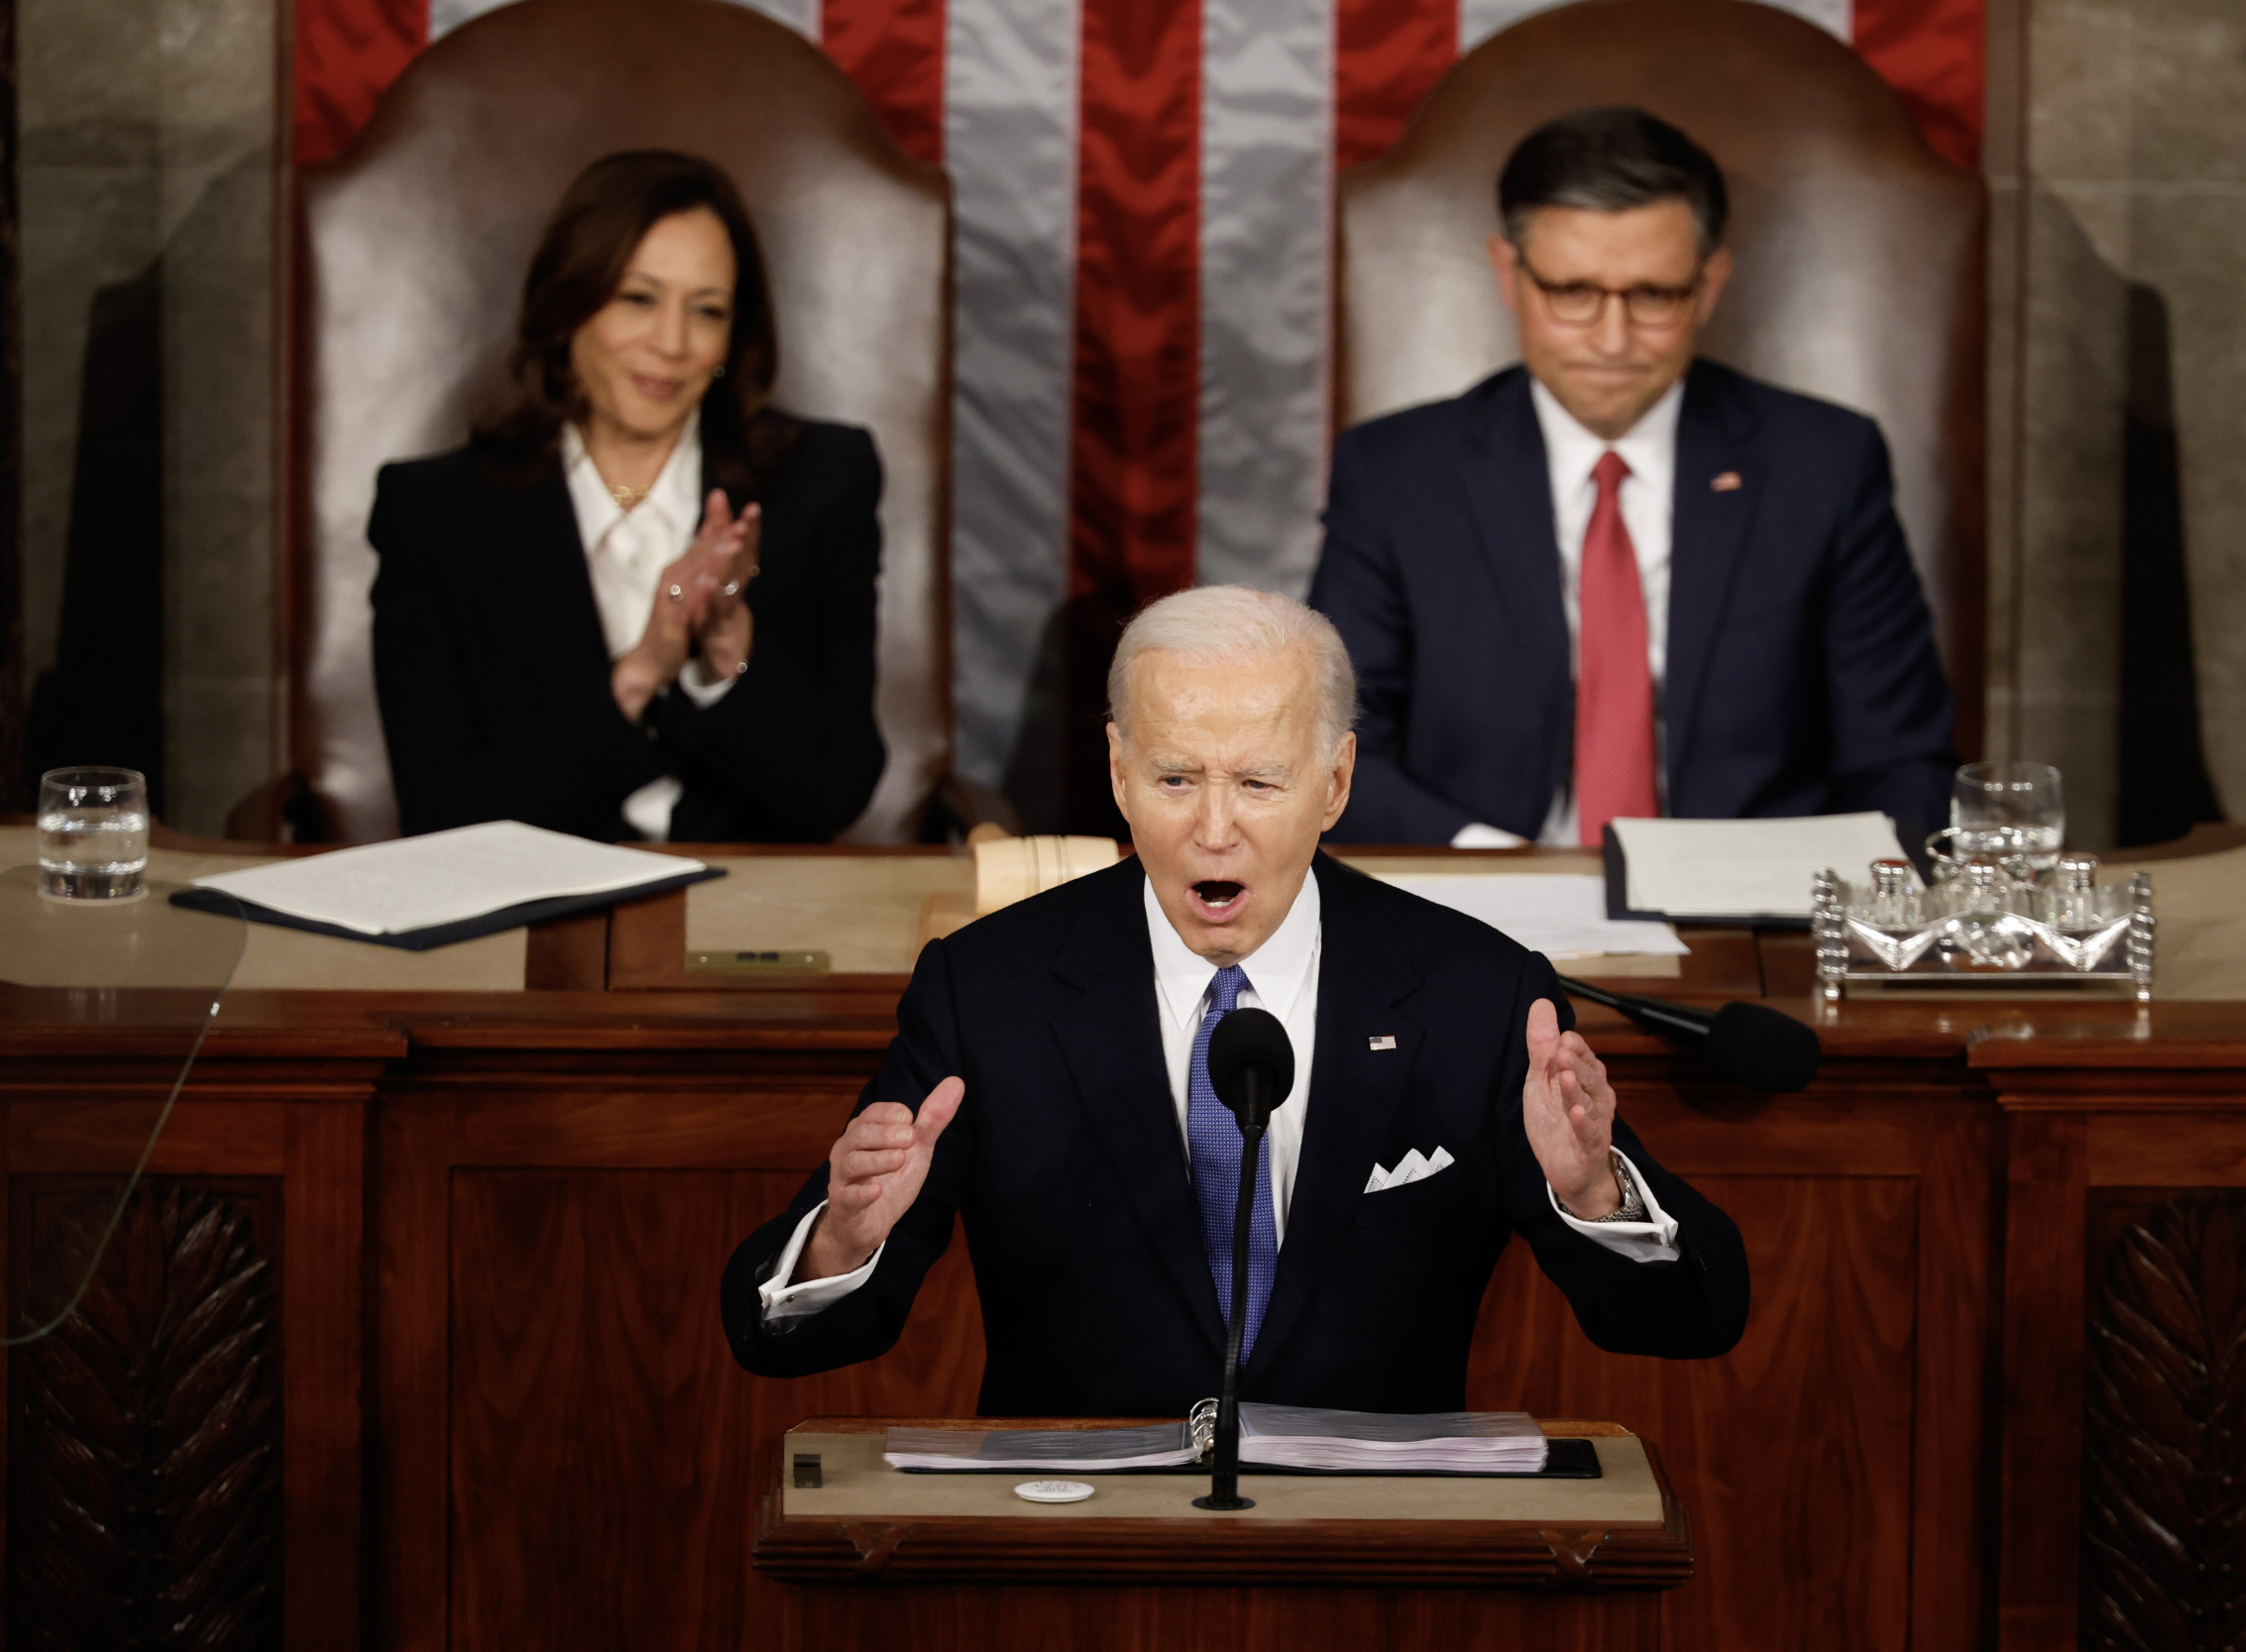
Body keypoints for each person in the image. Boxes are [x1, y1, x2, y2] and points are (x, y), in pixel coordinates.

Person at [722, 585, 1746, 1416]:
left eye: (1258, 783)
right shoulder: (988, 988)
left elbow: (1691, 1316)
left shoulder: (1476, 993)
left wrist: (1596, 1193)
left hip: (1380, 1559)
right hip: (1073, 1552)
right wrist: (844, 1241)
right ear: (1117, 773)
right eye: (1174, 779)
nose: (1214, 829)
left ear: (1334, 783)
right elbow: (778, 1337)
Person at [1310, 106, 1957, 847]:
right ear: (1508, 275)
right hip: (1481, 906)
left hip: (1748, 918)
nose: (1612, 338)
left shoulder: (1825, 466)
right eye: (1573, 292)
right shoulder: (1396, 474)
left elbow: (1904, 762)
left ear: (1710, 284)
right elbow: (1327, 753)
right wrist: (1498, 868)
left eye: (1654, 296)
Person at [369, 150, 885, 843]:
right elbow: (444, 817)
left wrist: (731, 653)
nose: (671, 343)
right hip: (529, 917)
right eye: (638, 298)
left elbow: (838, 791)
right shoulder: (435, 511)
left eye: (706, 311)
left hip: (757, 919)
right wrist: (639, 675)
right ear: (567, 310)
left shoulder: (823, 480)